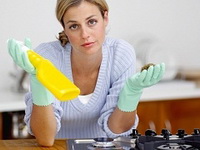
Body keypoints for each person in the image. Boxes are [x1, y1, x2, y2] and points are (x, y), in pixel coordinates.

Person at [7, 0, 165, 147]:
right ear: (65, 29)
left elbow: (117, 131)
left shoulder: (121, 54)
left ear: (105, 18)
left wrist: (131, 94)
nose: (85, 34)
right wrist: (39, 83)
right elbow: (45, 138)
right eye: (74, 26)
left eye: (92, 22)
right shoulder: (48, 57)